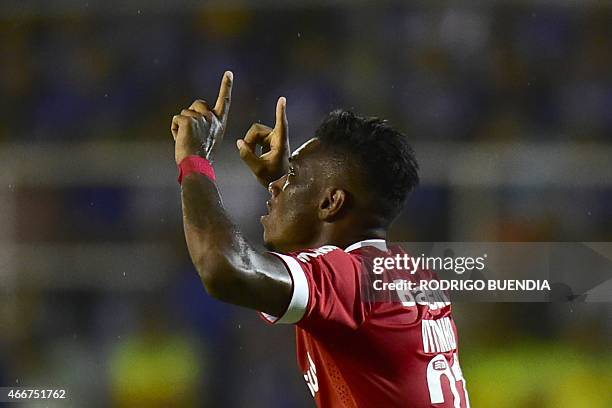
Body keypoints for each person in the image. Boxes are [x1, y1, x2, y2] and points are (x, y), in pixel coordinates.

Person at [170, 71, 470, 407]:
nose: (276, 185)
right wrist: (293, 193)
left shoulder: (350, 281)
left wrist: (194, 159)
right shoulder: (411, 274)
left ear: (330, 203)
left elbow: (224, 268)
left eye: (293, 176)